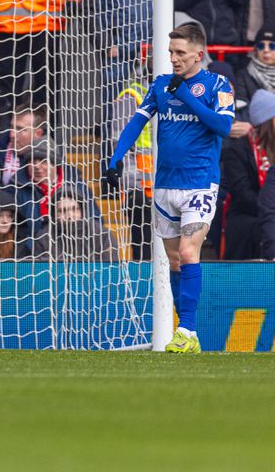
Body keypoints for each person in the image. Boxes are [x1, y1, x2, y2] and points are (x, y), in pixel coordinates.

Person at [105, 21, 235, 353]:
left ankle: (187, 329)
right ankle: (186, 331)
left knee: (190, 253)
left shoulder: (218, 84)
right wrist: (116, 159)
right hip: (163, 184)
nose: (173, 59)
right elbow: (136, 122)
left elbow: (222, 125)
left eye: (180, 53)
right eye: (170, 53)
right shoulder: (160, 85)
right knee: (175, 261)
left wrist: (187, 98)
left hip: (200, 183)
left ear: (198, 54)